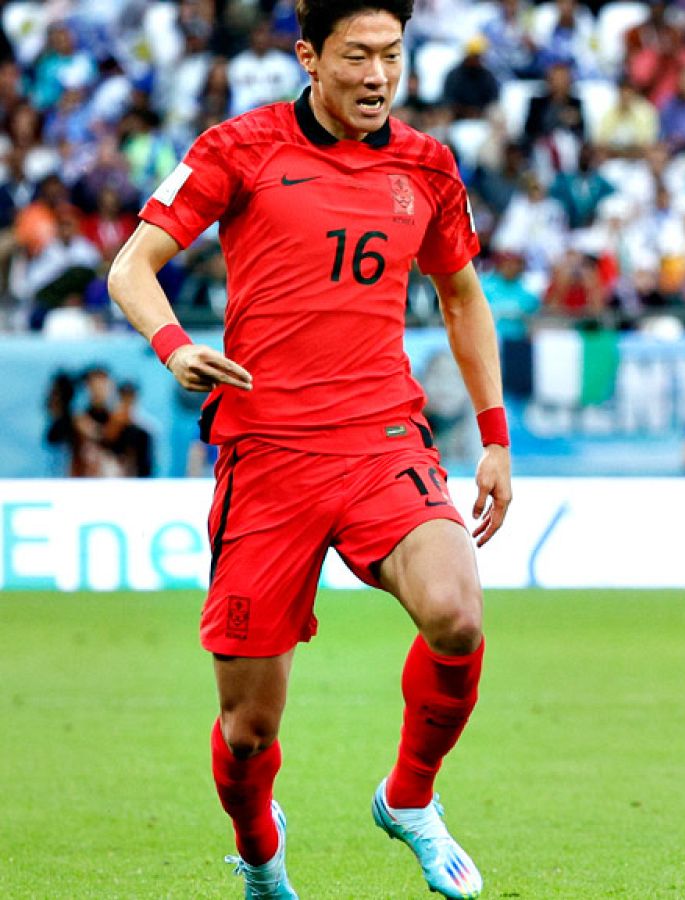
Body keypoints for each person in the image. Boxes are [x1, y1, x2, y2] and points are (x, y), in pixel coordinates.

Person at [107, 2, 511, 898]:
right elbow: (132, 265)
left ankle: (409, 800)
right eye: (357, 57)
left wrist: (493, 437)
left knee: (458, 613)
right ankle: (258, 848)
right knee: (249, 730)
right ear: (308, 56)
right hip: (268, 455)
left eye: (393, 57)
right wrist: (175, 346)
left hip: (381, 439)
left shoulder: (427, 164)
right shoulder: (238, 148)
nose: (377, 77)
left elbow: (463, 299)